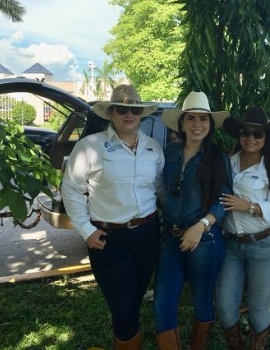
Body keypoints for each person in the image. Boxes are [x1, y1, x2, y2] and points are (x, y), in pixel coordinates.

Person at [61, 85, 164, 350]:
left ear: (141, 114)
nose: (128, 114)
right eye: (122, 109)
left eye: (135, 109)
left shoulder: (153, 148)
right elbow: (71, 190)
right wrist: (86, 229)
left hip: (147, 234)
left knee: (134, 299)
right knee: (124, 307)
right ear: (111, 113)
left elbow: (160, 188)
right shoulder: (90, 147)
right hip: (108, 239)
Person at [154, 91, 232, 350]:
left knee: (201, 302)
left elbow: (225, 197)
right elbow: (161, 190)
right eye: (191, 118)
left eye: (204, 119)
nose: (197, 124)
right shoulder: (170, 153)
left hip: (205, 241)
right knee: (162, 304)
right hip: (170, 241)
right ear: (182, 123)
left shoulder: (217, 156)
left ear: (210, 125)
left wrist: (201, 225)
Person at [217, 106, 270, 349]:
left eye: (257, 134)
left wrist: (249, 206)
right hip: (231, 246)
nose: (250, 138)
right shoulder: (228, 163)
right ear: (239, 135)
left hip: (264, 246)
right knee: (225, 306)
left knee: (258, 306)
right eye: (245, 133)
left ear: (266, 138)